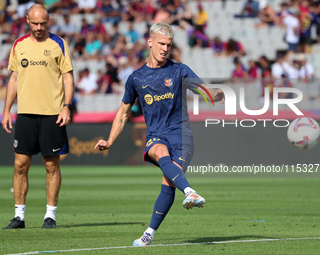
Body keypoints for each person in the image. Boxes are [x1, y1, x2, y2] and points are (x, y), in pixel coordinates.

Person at [94, 22, 224, 246]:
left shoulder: (179, 70)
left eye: (169, 45)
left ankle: (149, 234)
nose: (165, 48)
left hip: (182, 136)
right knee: (159, 151)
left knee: (169, 181)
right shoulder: (136, 78)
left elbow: (202, 90)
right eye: (161, 44)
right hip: (156, 135)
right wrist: (110, 140)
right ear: (150, 42)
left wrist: (216, 93)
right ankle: (191, 191)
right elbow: (123, 112)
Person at [1, 4, 74, 229]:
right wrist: (6, 110)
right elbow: (13, 79)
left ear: (48, 20)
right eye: (35, 23)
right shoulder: (19, 44)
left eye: (43, 23)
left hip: (52, 114)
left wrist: (66, 106)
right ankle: (19, 217)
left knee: (51, 166)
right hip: (25, 115)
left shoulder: (59, 44)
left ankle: (50, 215)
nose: (39, 27)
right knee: (20, 165)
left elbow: (68, 77)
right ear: (27, 20)